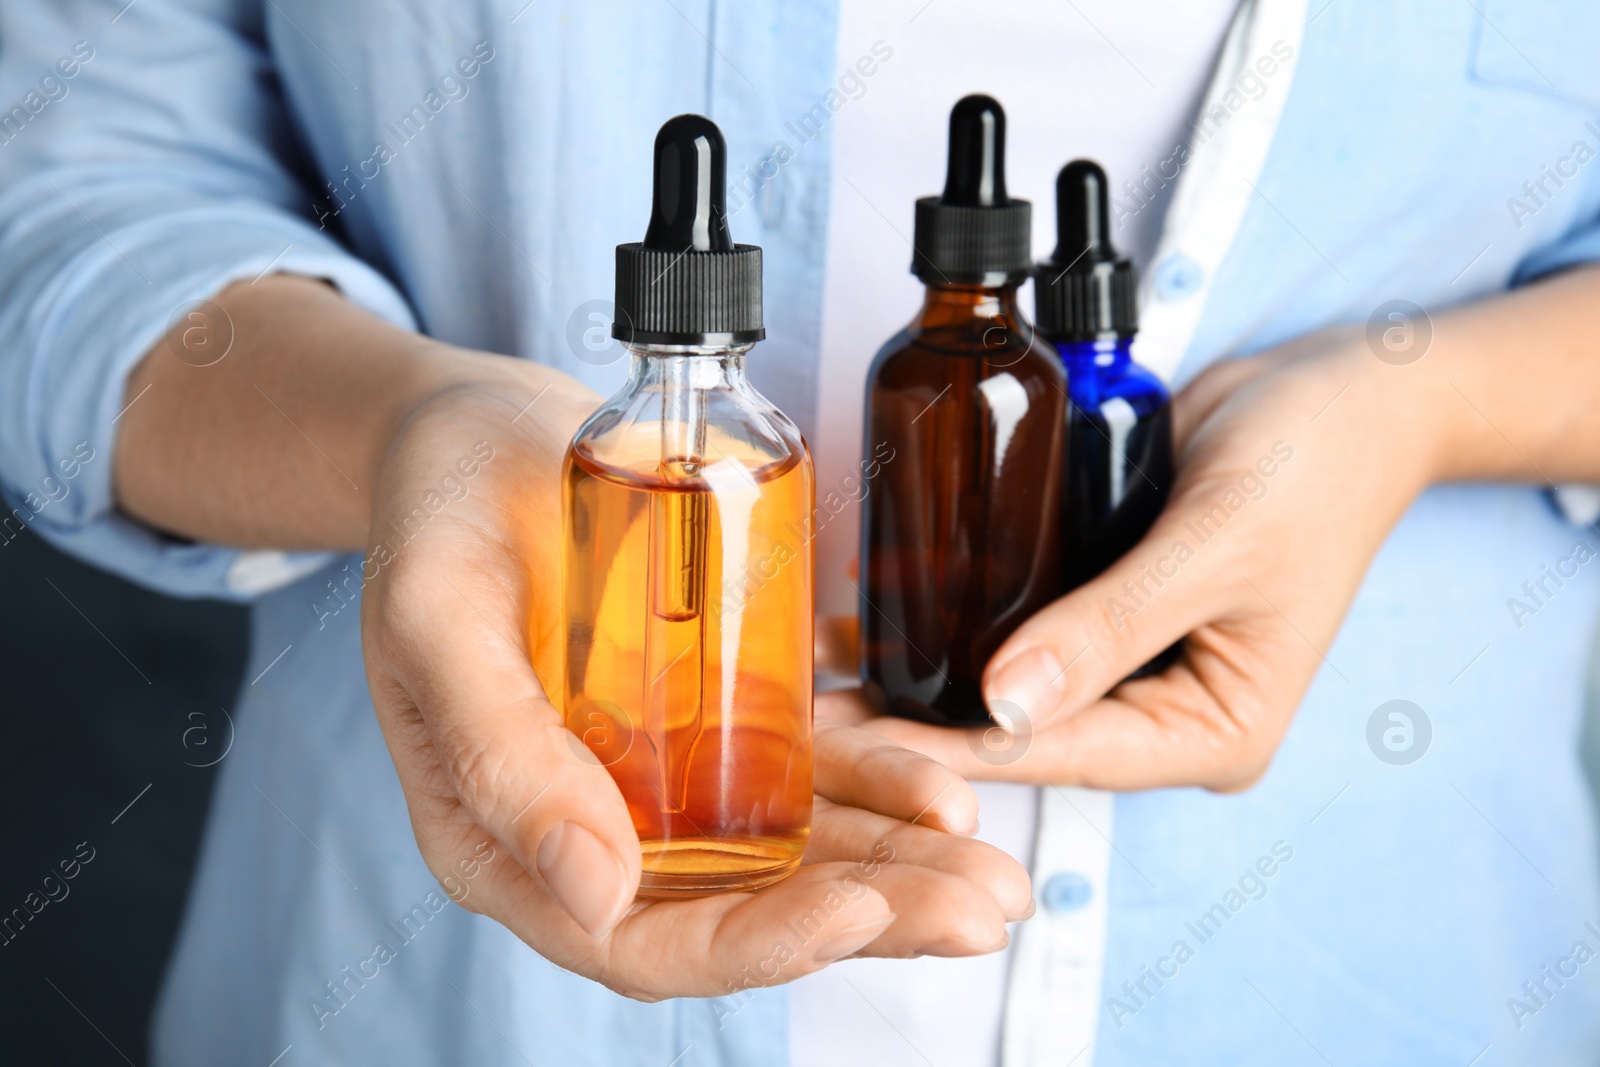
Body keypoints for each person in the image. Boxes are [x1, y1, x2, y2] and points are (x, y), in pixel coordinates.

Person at [2, 1, 1598, 1065]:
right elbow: (72, 180)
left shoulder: (913, 402)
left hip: (1370, 979)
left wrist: (1417, 403)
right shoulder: (683, 448)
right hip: (446, 990)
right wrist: (407, 427)